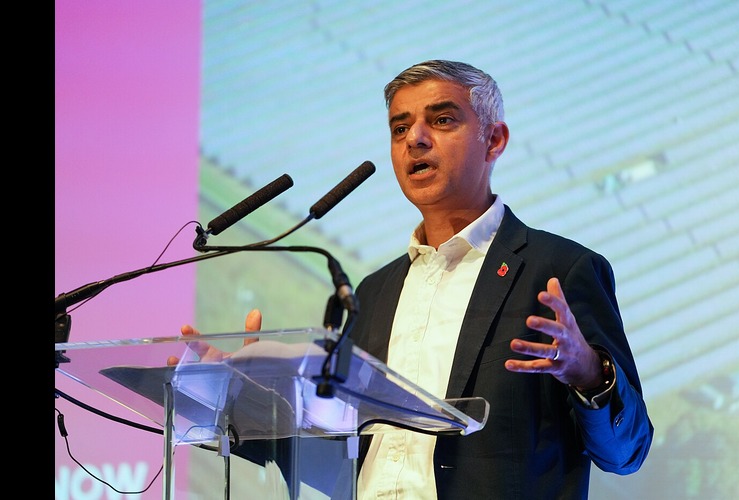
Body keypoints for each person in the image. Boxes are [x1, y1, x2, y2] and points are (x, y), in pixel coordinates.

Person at [177, 60, 654, 499]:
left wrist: (588, 372)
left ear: (494, 140)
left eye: (442, 120)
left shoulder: (559, 270)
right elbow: (335, 456)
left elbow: (627, 452)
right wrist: (237, 395)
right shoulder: (374, 292)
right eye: (399, 128)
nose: (415, 139)